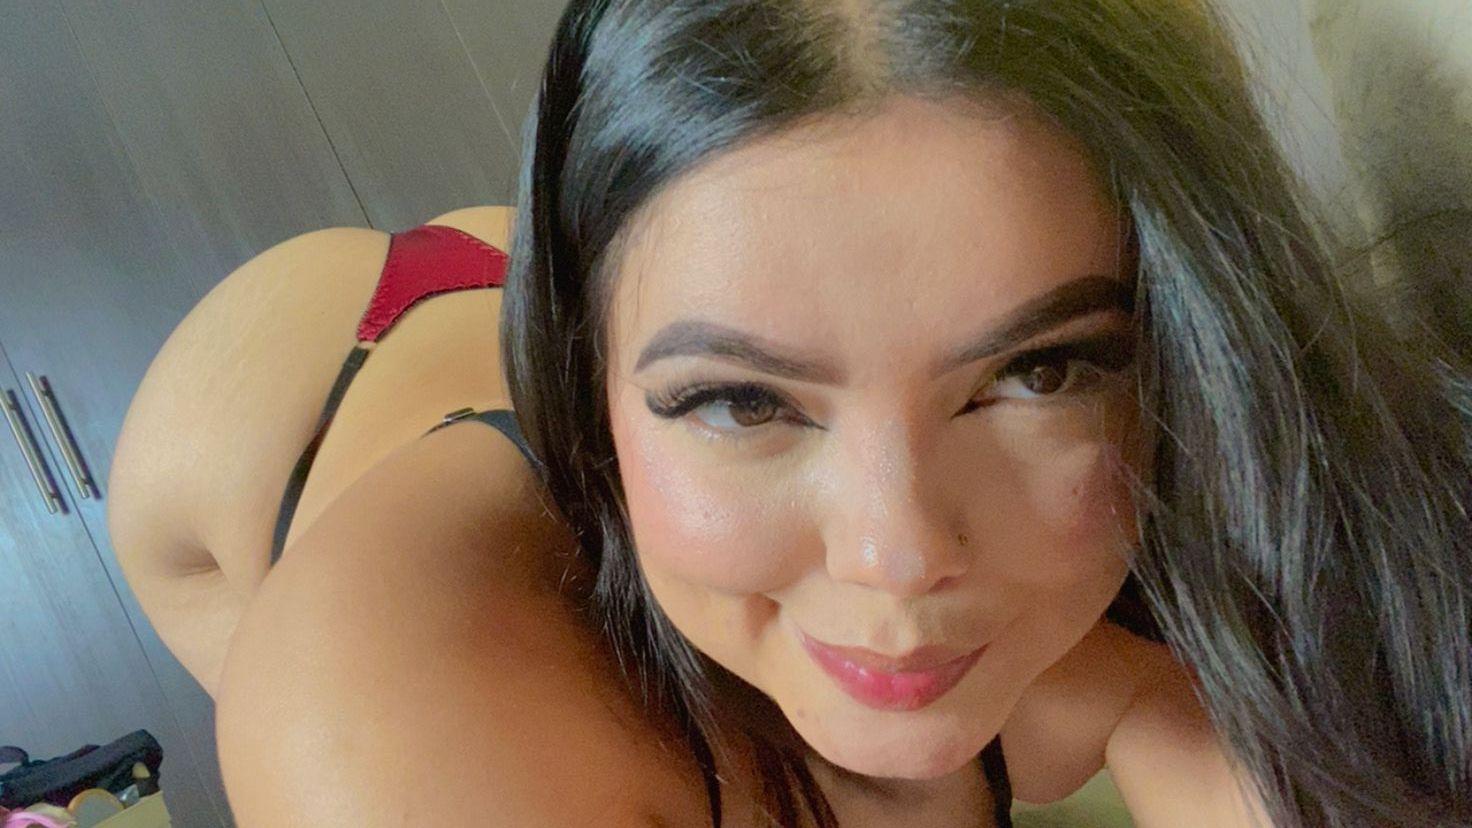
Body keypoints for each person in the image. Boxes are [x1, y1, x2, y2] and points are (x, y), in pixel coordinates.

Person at [112, 0, 1472, 826]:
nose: (899, 556)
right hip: (290, 401)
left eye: (1039, 372)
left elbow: (1159, 707)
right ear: (591, 386)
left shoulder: (1187, 495)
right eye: (742, 400)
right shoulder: (388, 714)